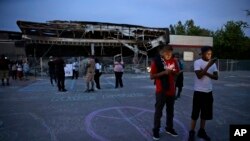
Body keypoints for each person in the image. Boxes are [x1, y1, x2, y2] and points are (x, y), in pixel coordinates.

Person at [188, 46, 218, 141]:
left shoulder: (213, 64)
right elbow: (199, 76)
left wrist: (205, 72)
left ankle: (201, 131)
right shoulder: (197, 62)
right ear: (203, 53)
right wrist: (208, 66)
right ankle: (192, 132)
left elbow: (216, 77)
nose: (210, 55)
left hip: (208, 92)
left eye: (211, 54)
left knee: (204, 114)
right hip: (198, 92)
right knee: (195, 114)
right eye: (208, 53)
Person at [150, 45, 180, 140]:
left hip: (171, 90)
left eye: (170, 52)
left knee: (170, 111)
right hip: (161, 90)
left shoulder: (174, 61)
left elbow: (177, 73)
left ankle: (169, 128)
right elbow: (151, 76)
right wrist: (164, 72)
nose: (168, 54)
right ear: (162, 53)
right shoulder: (156, 61)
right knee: (159, 112)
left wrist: (174, 73)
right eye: (166, 52)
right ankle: (156, 130)